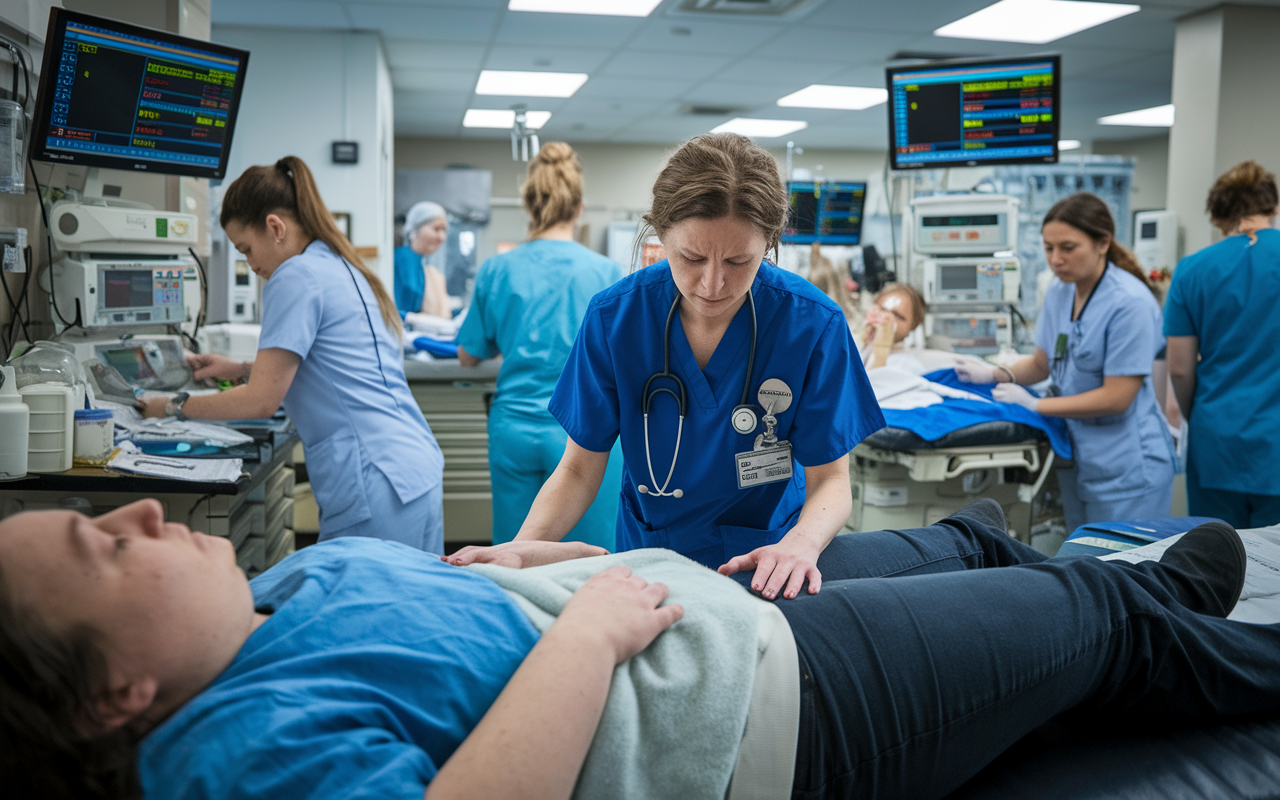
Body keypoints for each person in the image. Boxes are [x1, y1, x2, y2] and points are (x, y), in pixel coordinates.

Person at [1, 496, 1273, 800]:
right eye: (106, 550)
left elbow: (454, 611)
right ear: (120, 693)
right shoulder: (231, 747)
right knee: (1083, 614)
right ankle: (1156, 605)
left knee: (963, 536)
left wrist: (534, 566)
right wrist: (593, 630)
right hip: (762, 714)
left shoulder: (279, 588)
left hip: (692, 609)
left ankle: (1142, 588)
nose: (145, 511)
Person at [452, 133, 885, 601]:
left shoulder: (811, 324)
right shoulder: (617, 318)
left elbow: (833, 480)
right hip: (650, 560)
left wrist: (802, 544)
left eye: (740, 261)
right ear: (660, 234)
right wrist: (521, 550)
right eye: (691, 257)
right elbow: (579, 470)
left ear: (771, 243)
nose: (713, 283)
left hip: (766, 565)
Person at [141, 157, 445, 553]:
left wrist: (170, 406)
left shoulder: (295, 275)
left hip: (376, 479)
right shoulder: (343, 266)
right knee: (409, 606)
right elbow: (334, 364)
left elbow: (262, 401)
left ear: (275, 227)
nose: (251, 265)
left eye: (247, 249)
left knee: (361, 610)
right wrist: (241, 368)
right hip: (413, 469)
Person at [956, 193, 1176, 533]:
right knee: (1083, 566)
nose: (1056, 259)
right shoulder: (1060, 292)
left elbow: (1117, 397)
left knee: (1124, 575)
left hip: (1128, 468)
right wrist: (997, 373)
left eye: (1068, 248)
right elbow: (1043, 363)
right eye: (1048, 248)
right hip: (1080, 460)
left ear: (1103, 243)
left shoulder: (1129, 303)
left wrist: (1037, 403)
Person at [455, 142, 624, 550]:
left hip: (513, 428)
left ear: (529, 205)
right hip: (585, 435)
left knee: (514, 555)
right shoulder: (606, 272)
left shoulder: (498, 269)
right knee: (589, 556)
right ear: (579, 207)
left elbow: (468, 354)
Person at [1165, 161, 1280, 528]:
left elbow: (1180, 367)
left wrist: (1194, 415)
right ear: (1274, 209)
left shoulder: (1192, 270)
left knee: (1218, 566)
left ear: (1217, 218)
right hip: (1275, 446)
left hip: (1216, 440)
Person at [395, 201, 452, 326]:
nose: (441, 237)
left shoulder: (424, 266)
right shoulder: (401, 260)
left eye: (444, 230)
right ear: (415, 228)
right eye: (436, 229)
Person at [858, 282, 928, 368]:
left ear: (912, 327)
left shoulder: (908, 365)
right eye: (882, 309)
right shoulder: (858, 348)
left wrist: (881, 351)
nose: (885, 317)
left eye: (897, 316)